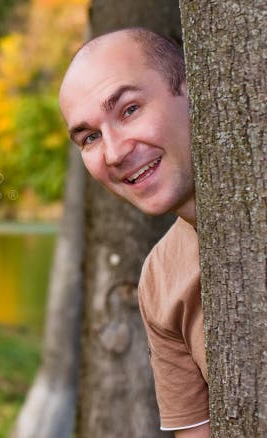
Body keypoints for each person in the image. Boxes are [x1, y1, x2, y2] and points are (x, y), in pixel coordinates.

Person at [58, 27, 209, 437]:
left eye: (129, 110)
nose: (114, 151)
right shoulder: (160, 279)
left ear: (192, 85)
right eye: (90, 137)